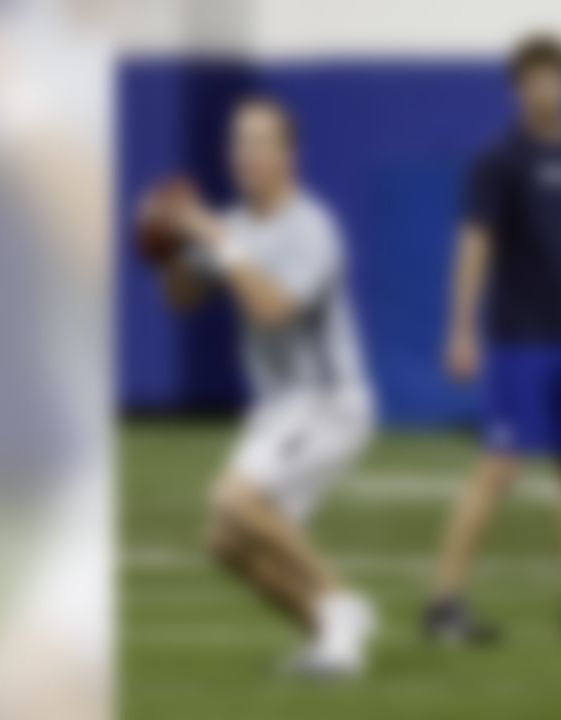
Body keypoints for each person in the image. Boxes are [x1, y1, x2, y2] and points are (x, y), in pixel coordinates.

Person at [143, 96, 378, 677]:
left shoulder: (313, 226)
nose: (244, 153)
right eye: (237, 141)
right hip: (279, 411)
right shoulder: (234, 225)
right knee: (225, 542)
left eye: (258, 141)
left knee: (233, 497)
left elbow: (272, 309)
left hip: (329, 403)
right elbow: (182, 300)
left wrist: (216, 239)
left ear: (287, 153)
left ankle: (339, 601)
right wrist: (168, 246)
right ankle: (332, 645)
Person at [423, 33, 561, 644]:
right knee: (499, 468)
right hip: (521, 339)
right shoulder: (500, 160)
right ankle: (444, 603)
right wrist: (460, 327)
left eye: (557, 78)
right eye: (534, 80)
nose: (547, 89)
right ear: (518, 90)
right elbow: (473, 244)